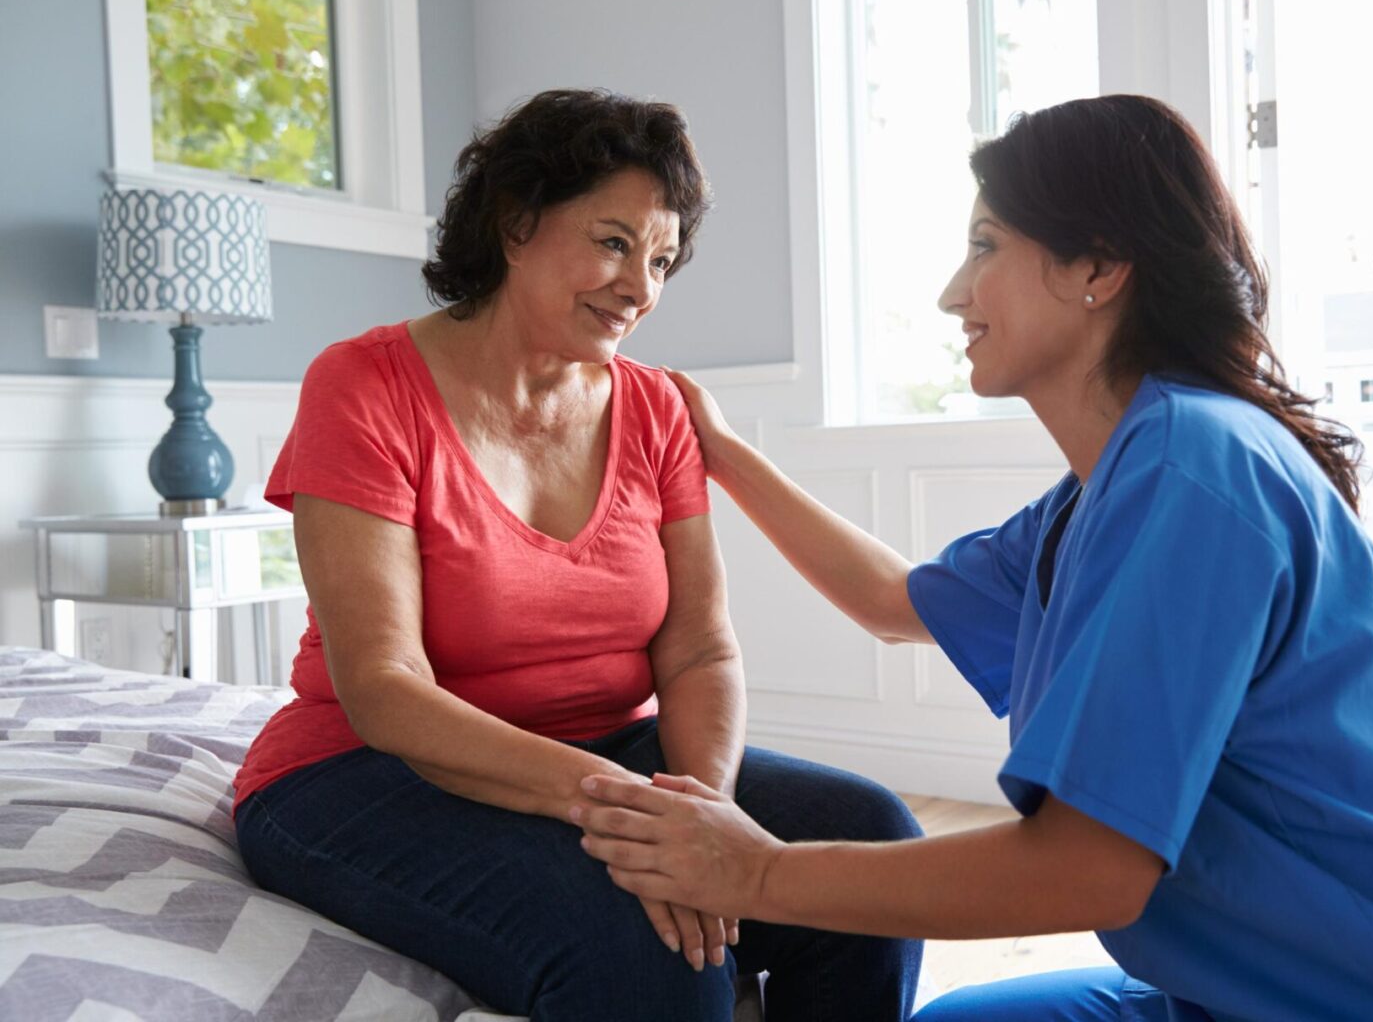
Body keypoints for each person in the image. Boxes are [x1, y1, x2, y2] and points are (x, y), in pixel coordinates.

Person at [572, 94, 1373, 1020]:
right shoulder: (1112, 485)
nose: (951, 292)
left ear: (1101, 268)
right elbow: (892, 600)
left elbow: (1086, 872)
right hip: (1244, 984)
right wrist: (723, 451)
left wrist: (758, 876)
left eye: (985, 246)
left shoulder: (1194, 471)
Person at [231, 88, 923, 1022]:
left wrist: (699, 813)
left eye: (664, 259)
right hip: (365, 772)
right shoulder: (363, 386)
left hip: (608, 752)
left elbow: (698, 650)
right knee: (648, 951)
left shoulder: (655, 407)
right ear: (516, 224)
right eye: (613, 242)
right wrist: (635, 817)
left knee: (874, 846)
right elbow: (384, 685)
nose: (642, 288)